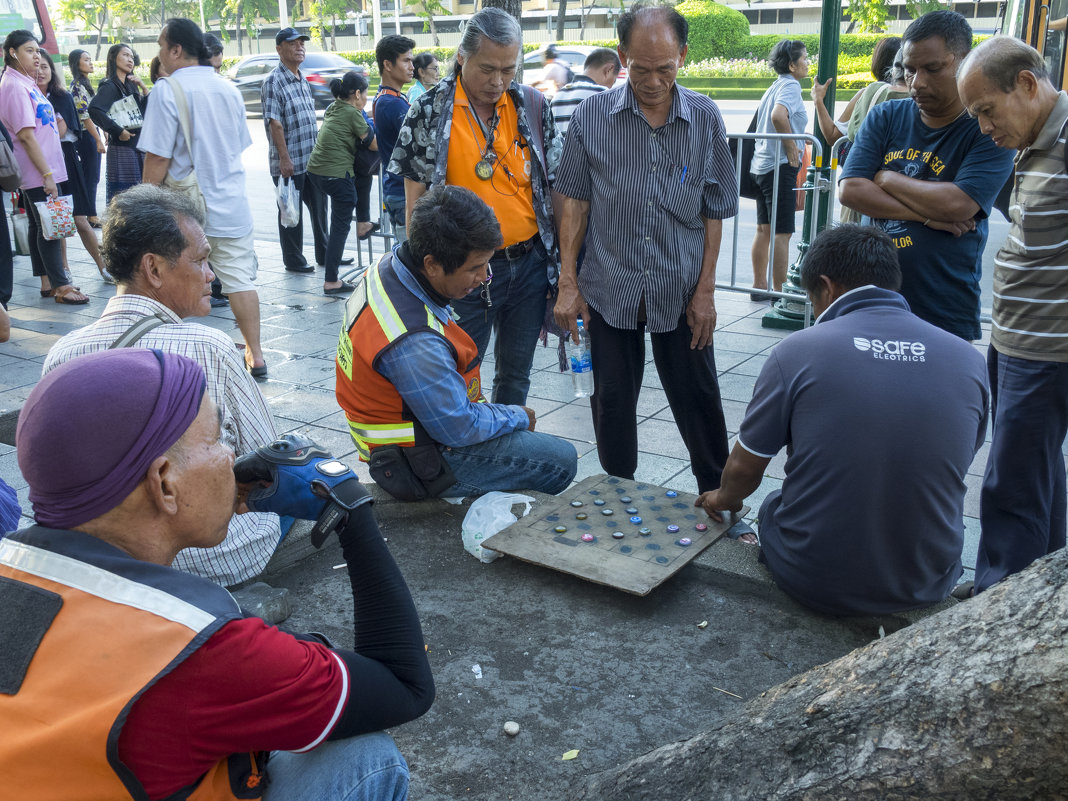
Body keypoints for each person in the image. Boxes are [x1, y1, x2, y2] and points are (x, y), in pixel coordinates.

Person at [2, 347, 434, 799]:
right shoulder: (201, 647)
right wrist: (352, 512)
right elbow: (404, 684)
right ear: (165, 482)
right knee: (366, 756)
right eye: (219, 438)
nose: (234, 456)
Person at [697, 225, 989, 616]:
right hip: (926, 579)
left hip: (813, 578)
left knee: (771, 504)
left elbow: (745, 470)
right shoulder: (968, 359)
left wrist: (721, 499)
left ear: (826, 286)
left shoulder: (798, 351)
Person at [42, 184, 283, 586]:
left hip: (105, 559)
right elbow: (267, 457)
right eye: (202, 261)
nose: (212, 275)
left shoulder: (62, 354)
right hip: (210, 557)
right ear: (153, 269)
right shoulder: (209, 347)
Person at [552, 4, 736, 493]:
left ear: (683, 55)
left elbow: (713, 211)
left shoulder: (705, 118)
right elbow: (574, 203)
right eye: (640, 68)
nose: (653, 81)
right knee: (610, 400)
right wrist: (567, 281)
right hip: (610, 286)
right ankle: (618, 491)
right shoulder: (592, 117)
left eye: (665, 69)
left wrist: (707, 291)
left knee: (699, 397)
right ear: (622, 56)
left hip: (681, 287)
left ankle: (718, 496)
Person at [335, 185, 577, 500]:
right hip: (416, 462)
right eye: (474, 268)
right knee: (561, 461)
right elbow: (458, 428)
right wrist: (516, 415)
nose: (484, 277)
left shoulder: (392, 265)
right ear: (433, 264)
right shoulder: (414, 342)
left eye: (486, 264)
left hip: (414, 434)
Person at [388, 8, 563, 406]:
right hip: (465, 272)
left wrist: (564, 269)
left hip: (529, 264)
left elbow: (555, 190)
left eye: (508, 69)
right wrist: (422, 275)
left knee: (516, 374)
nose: (498, 81)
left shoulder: (530, 106)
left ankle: (508, 451)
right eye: (487, 69)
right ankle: (463, 455)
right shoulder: (430, 111)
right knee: (459, 371)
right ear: (462, 57)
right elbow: (416, 203)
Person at [957, 38, 1068, 593]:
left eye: (986, 111)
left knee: (1013, 483)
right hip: (1018, 337)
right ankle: (1041, 593)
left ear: (1026, 84)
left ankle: (994, 599)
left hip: (1049, 350)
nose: (983, 128)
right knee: (1040, 476)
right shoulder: (1036, 136)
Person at [839, 10, 1015, 341]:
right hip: (869, 299)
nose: (917, 82)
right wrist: (928, 216)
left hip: (942, 308)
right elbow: (850, 190)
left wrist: (886, 179)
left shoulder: (986, 127)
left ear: (965, 64)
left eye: (933, 69)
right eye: (908, 70)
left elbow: (959, 206)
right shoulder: (887, 115)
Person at [140, 18, 268, 378]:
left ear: (176, 49)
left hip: (183, 210)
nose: (160, 53)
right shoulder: (227, 89)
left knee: (171, 277)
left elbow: (158, 157)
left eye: (162, 45)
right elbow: (239, 145)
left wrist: (144, 201)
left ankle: (175, 356)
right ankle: (256, 355)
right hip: (231, 203)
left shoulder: (166, 91)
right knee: (240, 279)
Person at [0, 30, 89, 305]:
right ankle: (61, 286)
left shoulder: (23, 82)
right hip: (38, 170)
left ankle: (50, 283)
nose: (37, 56)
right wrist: (47, 175)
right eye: (29, 50)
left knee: (44, 226)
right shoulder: (13, 86)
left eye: (38, 50)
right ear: (12, 53)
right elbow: (25, 136)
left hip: (46, 167)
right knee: (52, 227)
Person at [261, 27, 330, 275]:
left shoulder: (302, 78)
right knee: (290, 213)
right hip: (289, 162)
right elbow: (274, 123)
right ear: (279, 49)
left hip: (311, 160)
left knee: (321, 209)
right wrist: (284, 158)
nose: (300, 47)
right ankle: (293, 260)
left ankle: (326, 253)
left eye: (302, 43)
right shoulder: (273, 81)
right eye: (293, 43)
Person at [39, 56, 112, 284]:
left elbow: (64, 131)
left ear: (52, 70)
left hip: (66, 159)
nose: (40, 71)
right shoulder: (27, 96)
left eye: (44, 66)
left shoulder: (62, 96)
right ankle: (64, 271)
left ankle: (103, 267)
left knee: (79, 217)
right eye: (35, 66)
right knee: (55, 218)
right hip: (40, 162)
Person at [748, 39, 809, 300]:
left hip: (761, 166)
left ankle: (759, 286)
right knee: (782, 232)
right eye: (805, 58)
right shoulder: (791, 87)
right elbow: (778, 116)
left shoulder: (774, 86)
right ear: (793, 65)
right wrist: (790, 148)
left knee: (764, 229)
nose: (808, 63)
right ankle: (780, 292)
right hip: (778, 167)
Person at [308, 71, 378, 295]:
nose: (366, 98)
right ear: (357, 94)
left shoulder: (333, 108)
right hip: (335, 174)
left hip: (316, 172)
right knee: (339, 226)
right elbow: (374, 144)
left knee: (358, 183)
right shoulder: (352, 113)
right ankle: (331, 281)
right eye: (365, 94)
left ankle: (363, 224)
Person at [89, 42, 146, 202]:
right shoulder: (110, 85)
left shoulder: (131, 85)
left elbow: (143, 115)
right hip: (123, 150)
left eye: (132, 57)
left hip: (137, 148)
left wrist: (143, 88)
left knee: (139, 198)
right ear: (114, 58)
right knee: (124, 199)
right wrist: (117, 131)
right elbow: (94, 110)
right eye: (125, 55)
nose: (130, 60)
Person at [373, 34, 415, 245]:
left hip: (396, 190)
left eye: (412, 60)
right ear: (387, 64)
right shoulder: (392, 103)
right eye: (406, 60)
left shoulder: (386, 97)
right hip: (403, 192)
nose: (412, 66)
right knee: (410, 261)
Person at [67, 49, 105, 227]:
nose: (90, 63)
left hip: (91, 132)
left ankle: (89, 213)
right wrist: (97, 139)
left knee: (93, 176)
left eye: (90, 60)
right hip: (85, 135)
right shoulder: (76, 86)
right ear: (77, 63)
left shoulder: (85, 84)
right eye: (86, 60)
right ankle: (90, 215)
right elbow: (85, 116)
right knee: (90, 176)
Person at [550, 47, 621, 136]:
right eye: (613, 81)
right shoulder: (602, 94)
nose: (611, 86)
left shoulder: (558, 96)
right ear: (609, 69)